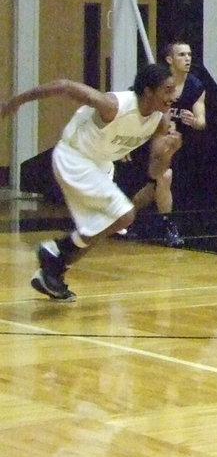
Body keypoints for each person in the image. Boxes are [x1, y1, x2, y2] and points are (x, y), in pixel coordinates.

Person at [0, 64, 180, 302]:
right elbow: (64, 86)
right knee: (124, 215)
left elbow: (154, 172)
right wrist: (16, 101)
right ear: (148, 91)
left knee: (105, 224)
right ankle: (55, 252)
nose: (173, 97)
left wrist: (169, 152)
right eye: (167, 91)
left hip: (101, 164)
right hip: (74, 156)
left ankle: (52, 269)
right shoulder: (114, 106)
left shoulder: (161, 120)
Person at [122, 39, 207, 247]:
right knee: (164, 178)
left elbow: (202, 121)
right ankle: (169, 227)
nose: (187, 59)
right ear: (169, 59)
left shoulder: (195, 86)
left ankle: (124, 220)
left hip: (174, 145)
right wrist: (125, 142)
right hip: (150, 141)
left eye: (189, 54)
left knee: (153, 189)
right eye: (182, 55)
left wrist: (195, 122)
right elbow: (132, 111)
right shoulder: (155, 82)